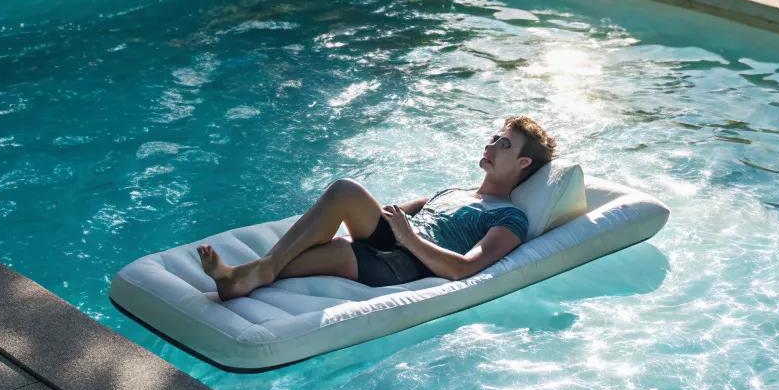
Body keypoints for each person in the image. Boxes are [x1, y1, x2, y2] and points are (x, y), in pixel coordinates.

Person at [198, 114, 555, 301]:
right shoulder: (454, 191)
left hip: (408, 262)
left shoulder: (510, 216)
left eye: (505, 145)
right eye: (494, 137)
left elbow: (465, 268)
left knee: (345, 191)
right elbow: (390, 213)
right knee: (330, 239)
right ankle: (237, 278)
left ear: (523, 164)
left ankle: (254, 272)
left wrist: (408, 236)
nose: (491, 145)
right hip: (389, 246)